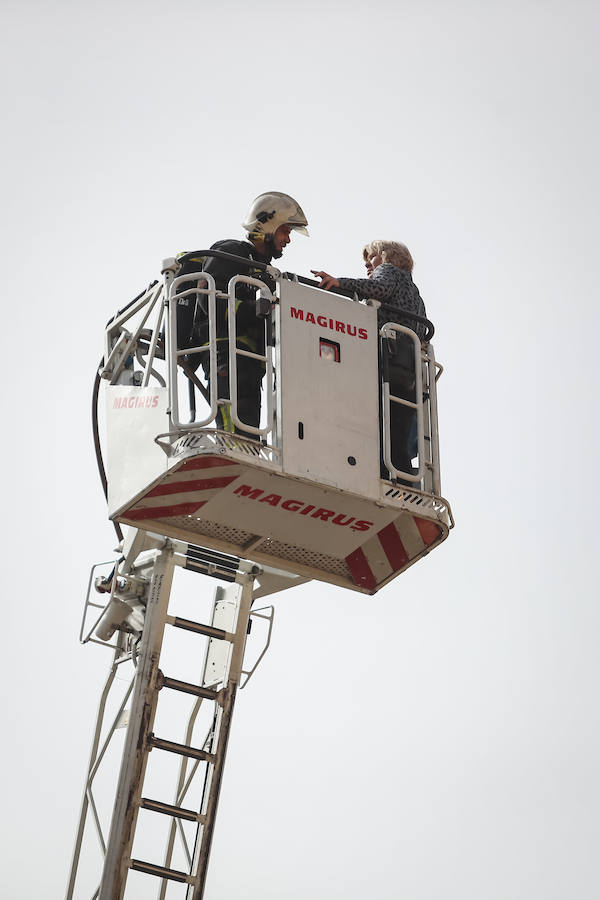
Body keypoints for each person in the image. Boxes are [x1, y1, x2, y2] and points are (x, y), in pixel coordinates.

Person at [177, 191, 309, 439]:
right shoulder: (232, 252)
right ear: (268, 225)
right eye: (285, 231)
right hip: (226, 355)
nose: (288, 240)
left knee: (249, 431)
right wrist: (257, 310)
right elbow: (212, 300)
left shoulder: (265, 270)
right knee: (235, 434)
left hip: (250, 362)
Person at [311, 240, 426, 477]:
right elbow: (423, 332)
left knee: (374, 426)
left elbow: (378, 289)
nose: (366, 264)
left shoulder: (388, 271)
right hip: (408, 371)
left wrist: (340, 283)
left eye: (371, 257)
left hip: (385, 360)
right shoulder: (416, 293)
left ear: (386, 256)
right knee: (397, 436)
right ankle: (401, 483)